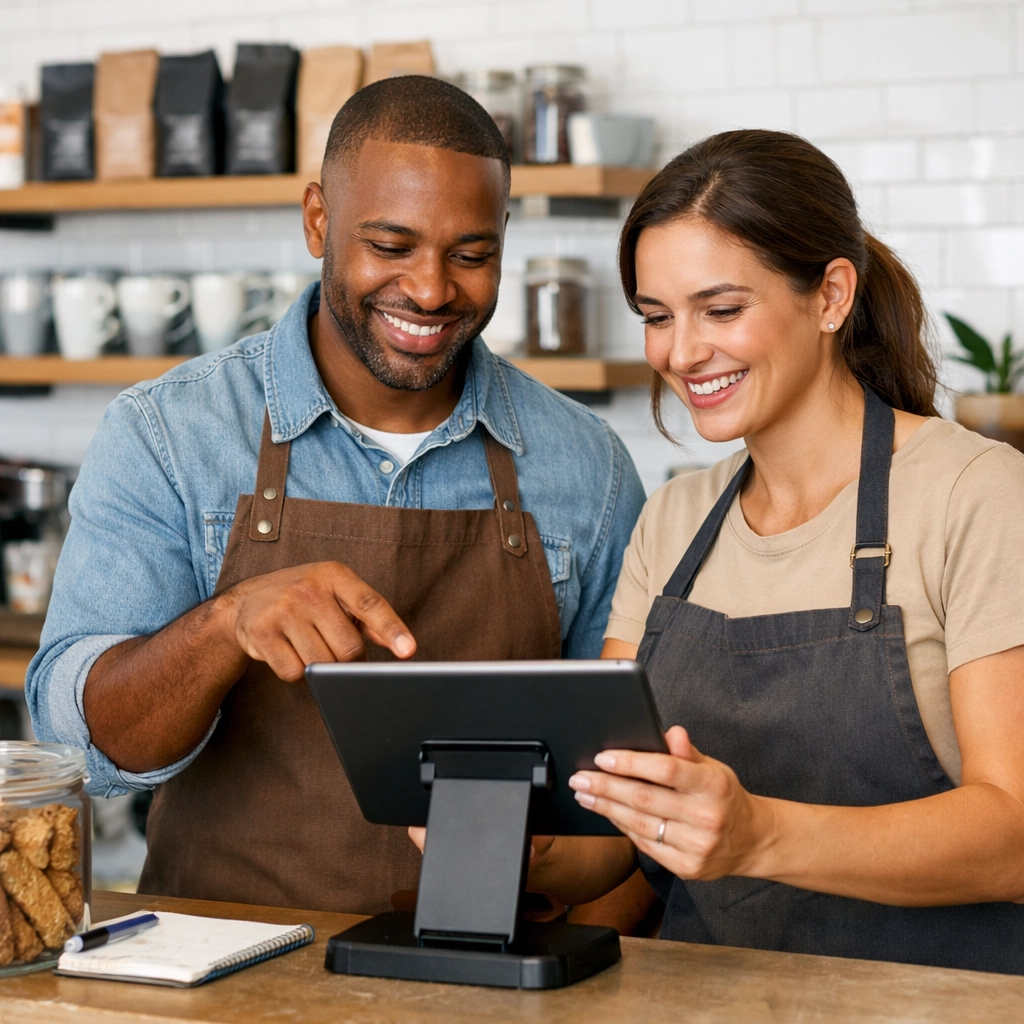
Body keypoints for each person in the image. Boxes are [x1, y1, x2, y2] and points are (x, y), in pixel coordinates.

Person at [26, 76, 646, 915]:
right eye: (391, 246)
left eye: (470, 254)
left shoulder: (588, 466)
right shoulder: (170, 432)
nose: (430, 291)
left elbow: (627, 791)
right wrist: (226, 623)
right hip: (225, 979)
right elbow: (86, 749)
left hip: (493, 983)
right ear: (318, 219)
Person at [523, 129, 1024, 973]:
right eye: (656, 317)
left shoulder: (976, 494)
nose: (681, 353)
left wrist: (758, 837)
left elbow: (1013, 835)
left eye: (721, 309)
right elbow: (617, 835)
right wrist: (513, 836)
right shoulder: (675, 521)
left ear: (831, 296)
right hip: (702, 1000)